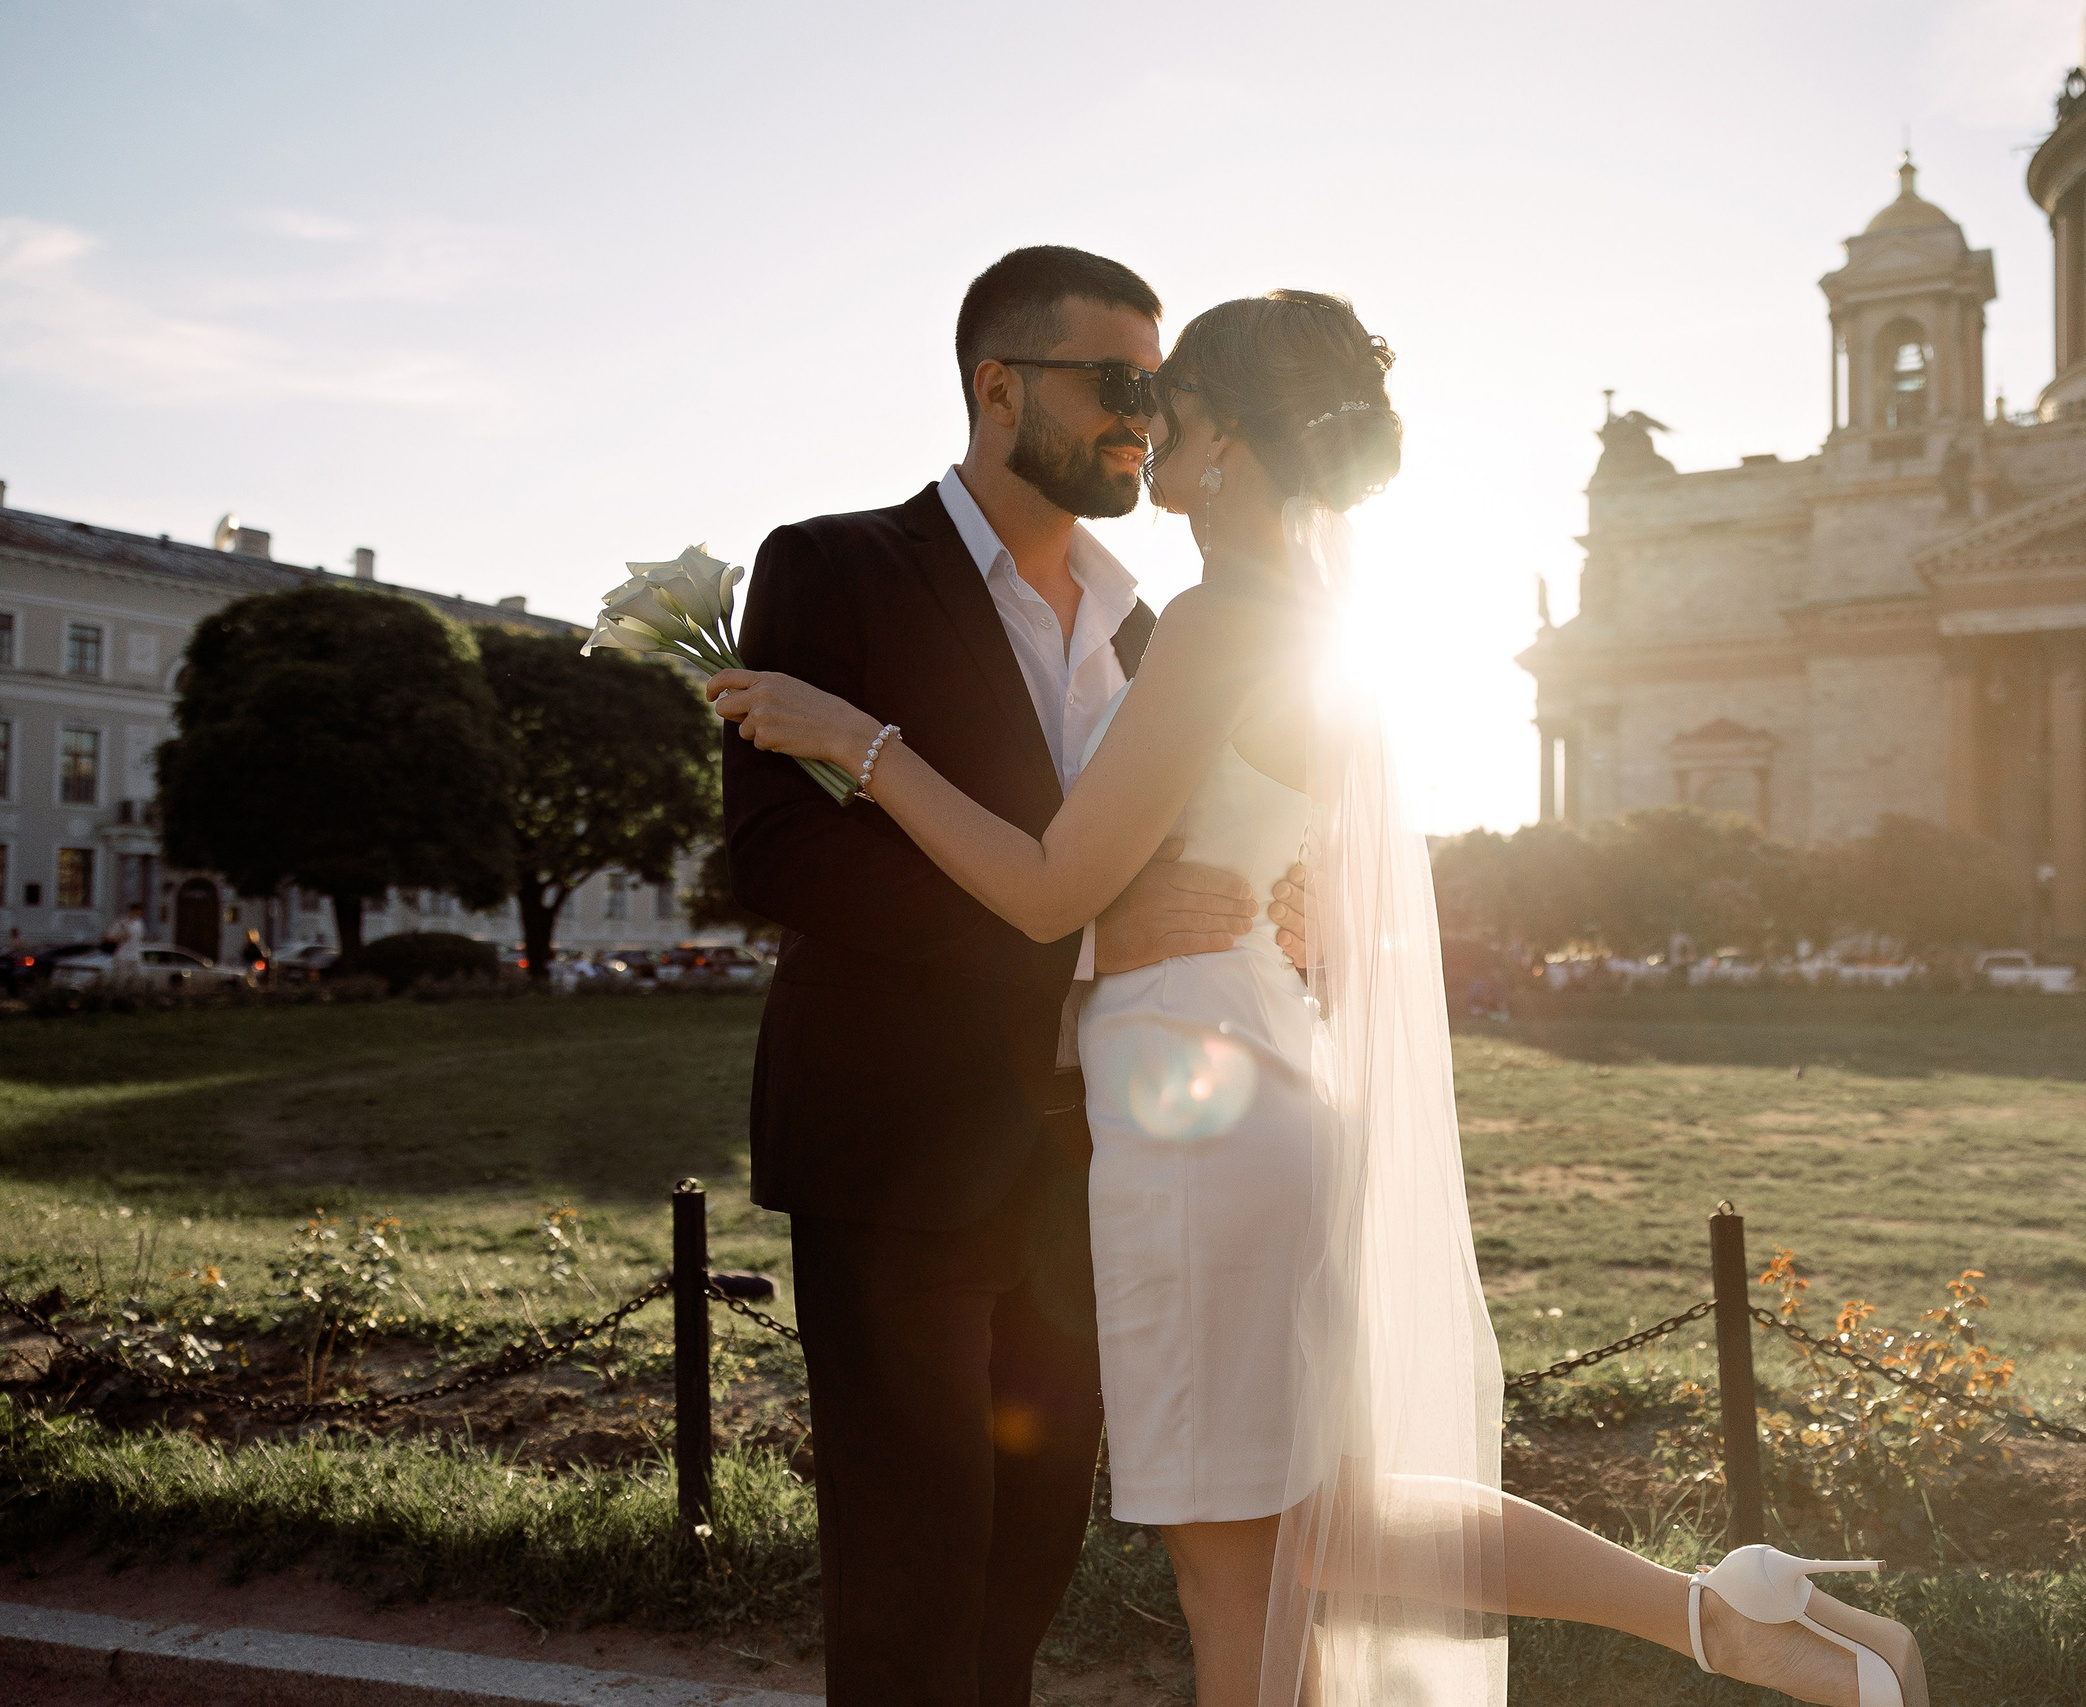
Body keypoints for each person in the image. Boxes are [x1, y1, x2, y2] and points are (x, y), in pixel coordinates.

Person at [711, 290, 1925, 1707]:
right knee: (1307, 1525)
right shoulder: (1305, 622)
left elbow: (1047, 889)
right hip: (1249, 1076)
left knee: (1244, 1561)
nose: (1147, 432)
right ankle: (1735, 1616)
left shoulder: (1216, 620)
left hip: (1192, 1113)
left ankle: (1730, 1623)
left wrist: (863, 744)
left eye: (1169, 406)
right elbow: (1307, 884)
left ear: (1226, 439)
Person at [716, 247, 1307, 1707]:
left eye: (1159, 390)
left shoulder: (1154, 623)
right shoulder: (834, 565)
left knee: (1028, 1562)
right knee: (911, 1561)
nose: (1144, 418)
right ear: (998, 387)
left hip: (1096, 1152)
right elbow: (779, 857)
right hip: (895, 1143)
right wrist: (1087, 935)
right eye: (1114, 383)